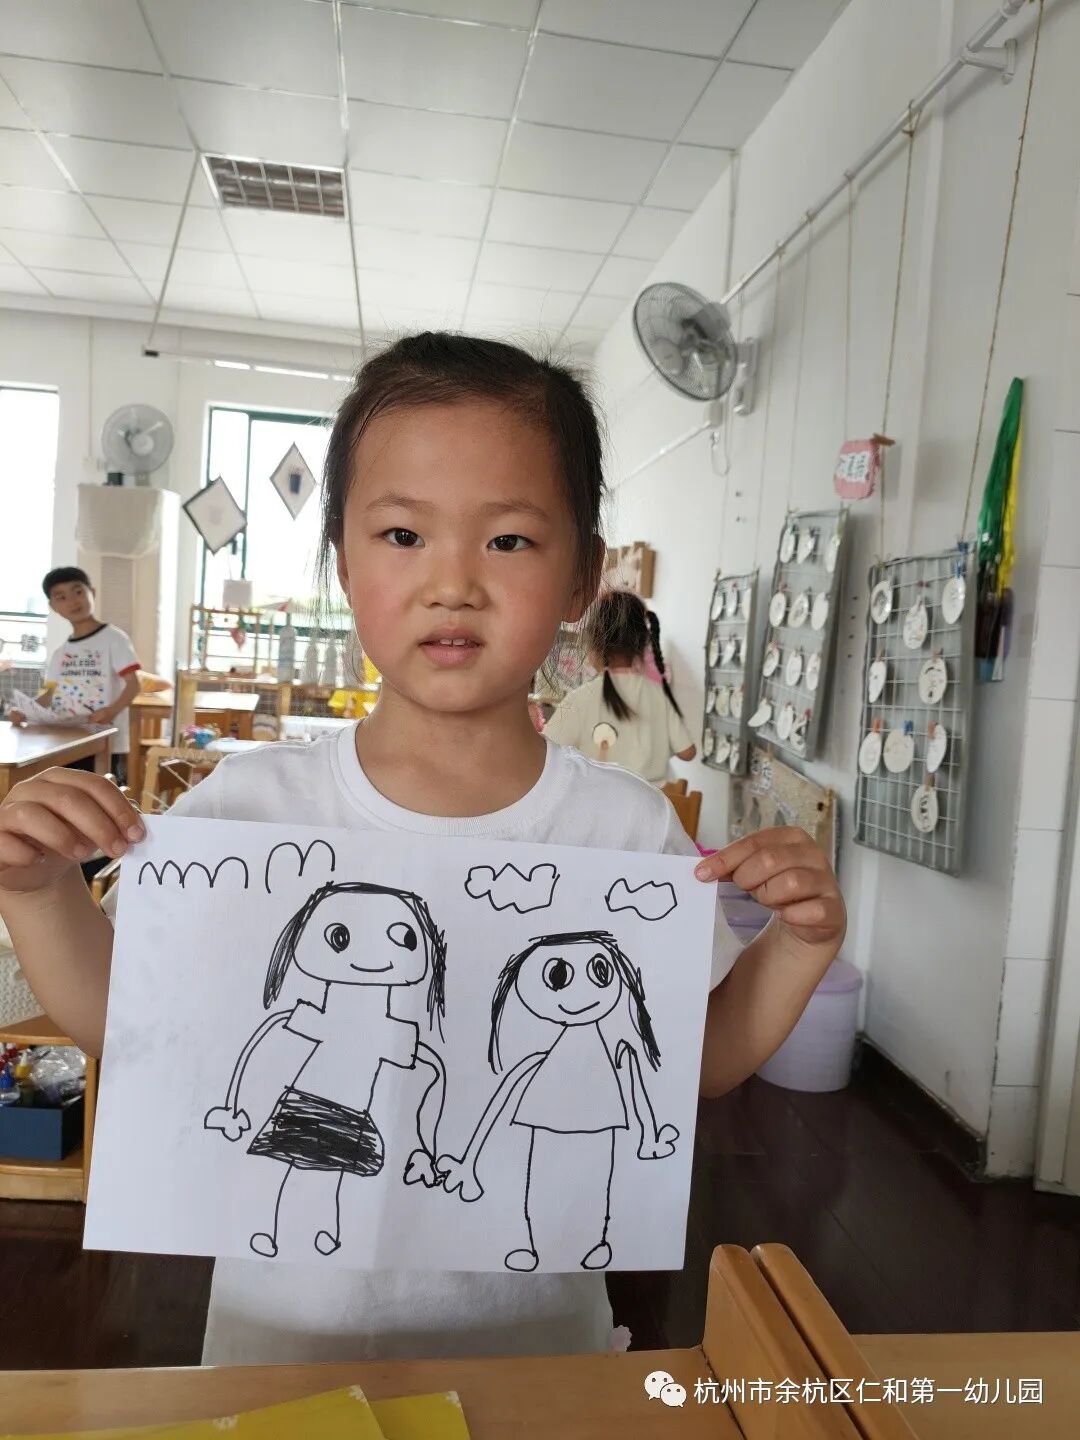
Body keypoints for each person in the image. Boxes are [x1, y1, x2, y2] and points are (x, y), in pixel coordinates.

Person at [0, 332, 845, 1368]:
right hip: (280, 1355)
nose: (454, 583)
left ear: (582, 577)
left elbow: (694, 1064)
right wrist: (39, 894)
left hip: (542, 1356)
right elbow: (130, 1025)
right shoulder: (250, 810)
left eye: (509, 541)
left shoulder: (626, 830)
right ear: (343, 563)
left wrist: (797, 947)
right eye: (402, 534)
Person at [545, 590, 695, 783]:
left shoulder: (580, 699)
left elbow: (546, 753)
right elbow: (688, 752)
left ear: (595, 645)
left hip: (599, 800)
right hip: (653, 799)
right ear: (642, 644)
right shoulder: (656, 694)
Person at [9, 567, 140, 787]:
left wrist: (110, 711)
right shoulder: (59, 653)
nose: (72, 601)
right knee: (68, 796)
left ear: (92, 593)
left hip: (105, 741)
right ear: (53, 606)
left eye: (78, 591)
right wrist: (25, 711)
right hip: (66, 744)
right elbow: (50, 694)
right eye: (61, 597)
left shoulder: (114, 638)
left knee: (105, 796)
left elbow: (133, 685)